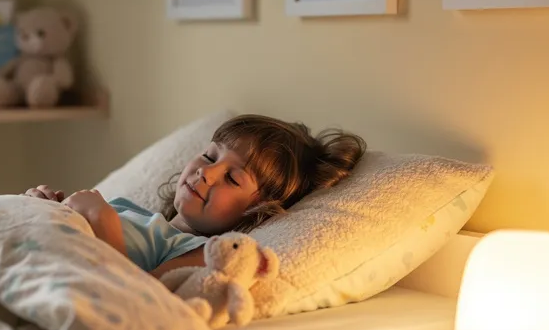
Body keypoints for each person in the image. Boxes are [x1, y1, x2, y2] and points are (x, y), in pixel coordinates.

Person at [22, 114, 367, 282]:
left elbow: (136, 292)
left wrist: (102, 222)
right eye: (209, 156)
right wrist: (39, 207)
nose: (208, 173)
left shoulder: (197, 253)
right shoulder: (129, 210)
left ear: (259, 211)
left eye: (232, 177)